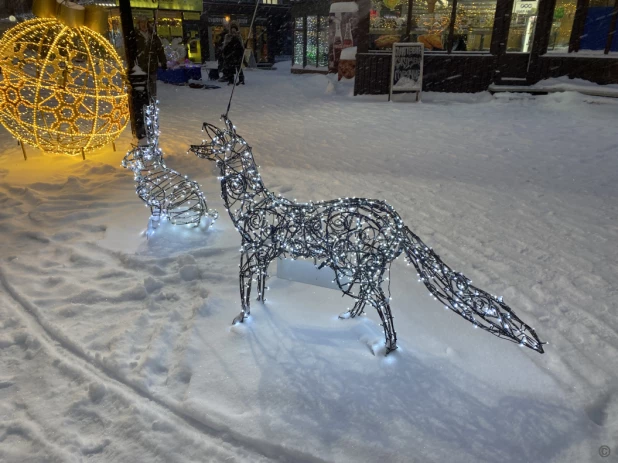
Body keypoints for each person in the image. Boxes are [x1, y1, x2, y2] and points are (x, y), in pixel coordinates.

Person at [135, 17, 167, 100]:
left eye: (145, 23)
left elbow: (160, 49)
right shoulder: (135, 36)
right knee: (142, 85)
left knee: (152, 84)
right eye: (141, 23)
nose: (143, 25)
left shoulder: (153, 36)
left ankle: (153, 100)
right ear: (138, 24)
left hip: (152, 64)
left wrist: (163, 61)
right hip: (140, 65)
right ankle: (144, 100)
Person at [222, 21, 245, 85]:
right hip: (230, 55)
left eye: (234, 29)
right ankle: (231, 80)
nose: (233, 31)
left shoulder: (239, 37)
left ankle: (241, 80)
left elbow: (241, 46)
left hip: (237, 55)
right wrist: (225, 53)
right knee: (230, 69)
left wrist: (241, 53)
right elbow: (225, 46)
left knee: (239, 68)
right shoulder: (228, 36)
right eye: (232, 29)